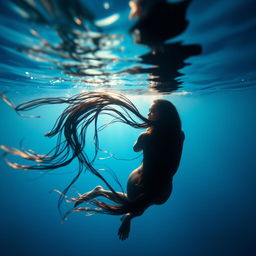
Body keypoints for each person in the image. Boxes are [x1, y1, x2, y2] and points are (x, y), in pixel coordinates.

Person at [0, 92, 185, 240]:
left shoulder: (146, 137)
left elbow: (136, 149)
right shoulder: (179, 135)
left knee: (138, 204)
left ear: (162, 115)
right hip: (153, 183)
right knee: (138, 204)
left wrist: (142, 137)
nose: (148, 115)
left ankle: (105, 196)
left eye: (152, 112)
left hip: (151, 182)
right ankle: (121, 209)